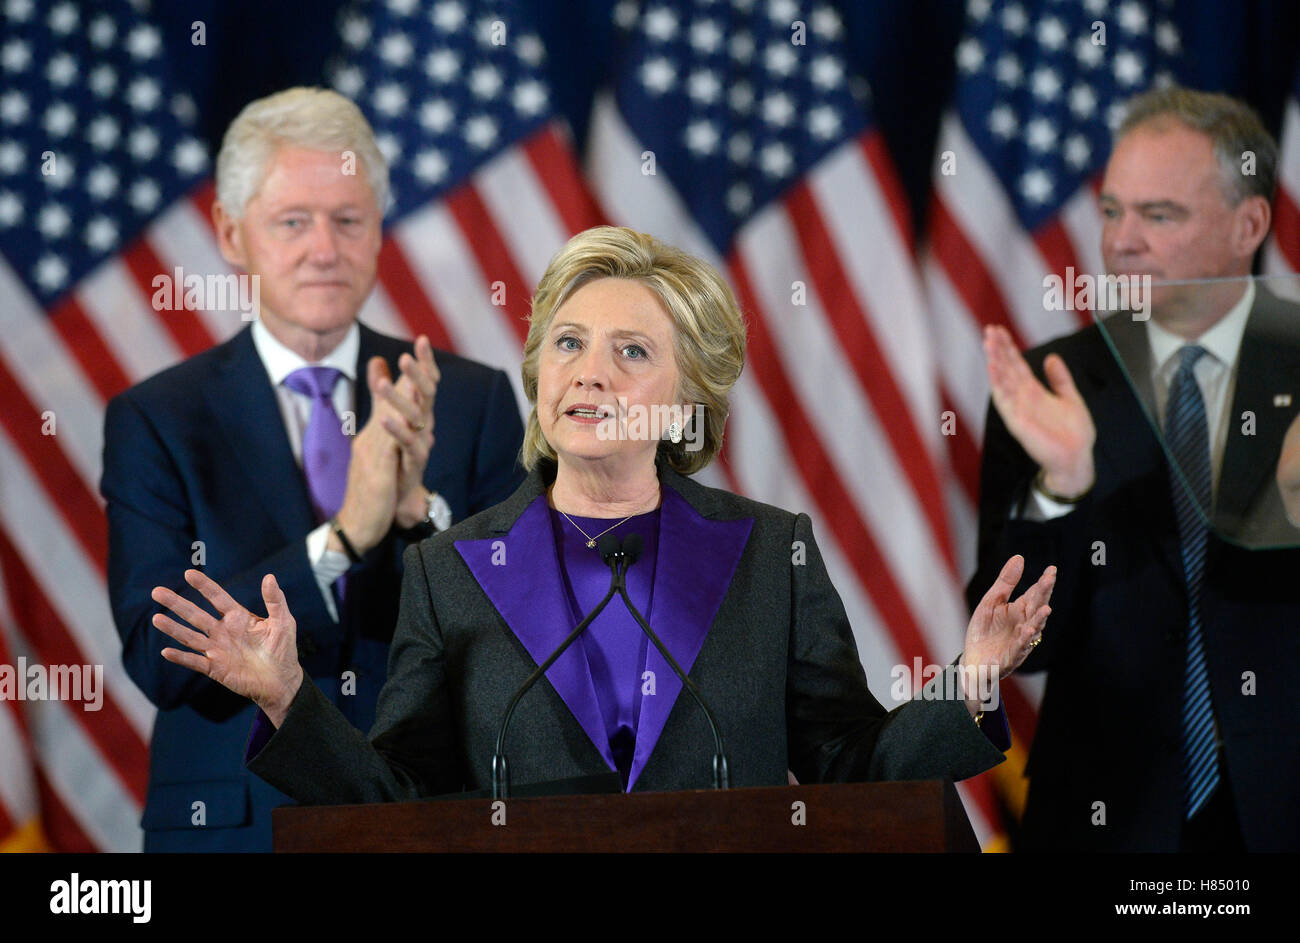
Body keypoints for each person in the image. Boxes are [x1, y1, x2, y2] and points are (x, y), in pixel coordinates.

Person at [149, 226, 1055, 810]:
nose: (589, 373)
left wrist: (973, 676)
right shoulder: (452, 568)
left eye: (632, 352)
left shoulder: (772, 552)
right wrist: (286, 699)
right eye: (569, 345)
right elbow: (398, 798)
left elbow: (850, 766)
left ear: (685, 401)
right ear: (540, 377)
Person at [101, 88, 525, 851]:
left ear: (378, 231)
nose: (324, 248)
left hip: (428, 815)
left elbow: (527, 625)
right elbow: (159, 655)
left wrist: (420, 512)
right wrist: (339, 543)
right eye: (293, 221)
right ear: (233, 234)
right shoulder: (158, 419)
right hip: (236, 826)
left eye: (348, 219)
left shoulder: (471, 398)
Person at [972, 87, 1300, 851]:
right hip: (1104, 820)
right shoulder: (1049, 383)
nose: (1121, 242)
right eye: (1112, 211)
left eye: (1159, 215)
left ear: (1248, 225)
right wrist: (1061, 486)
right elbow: (1022, 650)